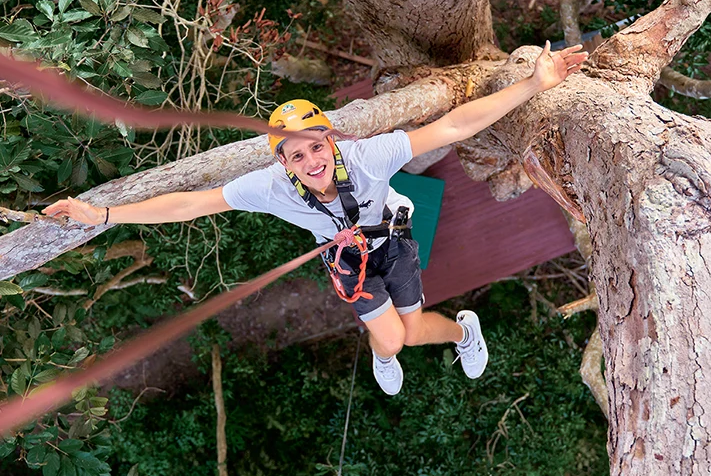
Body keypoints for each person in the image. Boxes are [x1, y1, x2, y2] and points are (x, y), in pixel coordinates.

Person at [44, 42, 587, 395]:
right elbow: (190, 203)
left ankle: (464, 330)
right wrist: (105, 214)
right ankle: (385, 348)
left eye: (314, 147)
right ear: (282, 163)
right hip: (347, 259)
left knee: (417, 331)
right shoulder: (271, 188)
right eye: (296, 157)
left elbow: (450, 128)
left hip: (393, 242)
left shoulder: (369, 157)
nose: (311, 162)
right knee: (392, 341)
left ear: (330, 139)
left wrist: (534, 84)